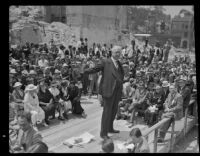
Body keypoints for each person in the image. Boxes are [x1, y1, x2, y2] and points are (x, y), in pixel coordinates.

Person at [84, 45, 124, 139]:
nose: (118, 54)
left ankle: (110, 128)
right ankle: (104, 133)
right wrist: (84, 71)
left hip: (117, 92)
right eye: (116, 52)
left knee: (113, 111)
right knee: (107, 113)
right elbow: (95, 69)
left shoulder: (119, 63)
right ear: (112, 52)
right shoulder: (106, 62)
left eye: (119, 52)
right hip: (108, 91)